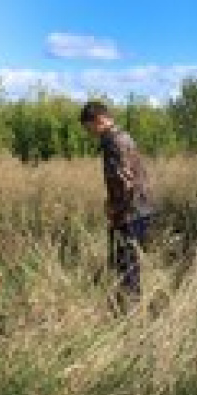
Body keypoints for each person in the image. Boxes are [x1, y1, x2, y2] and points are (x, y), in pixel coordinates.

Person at [80, 101, 152, 314]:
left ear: (99, 121)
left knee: (126, 265)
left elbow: (126, 184)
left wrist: (115, 209)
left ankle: (129, 313)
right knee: (129, 264)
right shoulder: (124, 136)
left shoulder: (113, 142)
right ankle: (129, 307)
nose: (89, 133)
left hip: (130, 212)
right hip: (140, 208)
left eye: (89, 127)